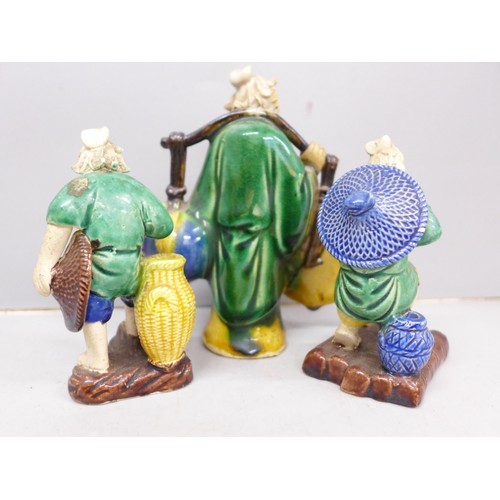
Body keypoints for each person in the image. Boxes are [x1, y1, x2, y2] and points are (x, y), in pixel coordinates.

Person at [181, 67, 326, 357]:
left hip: (225, 234)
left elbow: (205, 196)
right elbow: (295, 192)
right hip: (262, 239)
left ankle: (224, 331)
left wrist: (202, 223)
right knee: (257, 293)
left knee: (229, 289)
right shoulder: (273, 139)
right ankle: (258, 332)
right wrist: (312, 168)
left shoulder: (224, 138)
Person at [33, 127, 173, 372]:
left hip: (101, 269)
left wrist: (44, 267)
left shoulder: (82, 187)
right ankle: (134, 336)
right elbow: (163, 226)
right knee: (134, 299)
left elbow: (59, 227)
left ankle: (98, 359)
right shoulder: (135, 187)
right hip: (133, 268)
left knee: (93, 307)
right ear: (115, 157)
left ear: (86, 157)